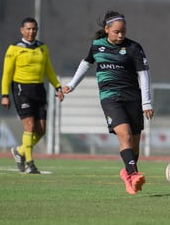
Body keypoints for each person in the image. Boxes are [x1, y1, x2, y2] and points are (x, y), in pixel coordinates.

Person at [62, 11, 154, 195]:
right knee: (125, 136)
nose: (120, 35)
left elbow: (144, 75)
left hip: (133, 99)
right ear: (107, 29)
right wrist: (72, 84)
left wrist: (146, 103)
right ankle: (134, 174)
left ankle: (127, 173)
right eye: (116, 32)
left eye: (123, 31)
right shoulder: (97, 46)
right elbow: (86, 63)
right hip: (110, 98)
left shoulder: (134, 48)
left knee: (135, 145)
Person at [1, 17, 64, 174]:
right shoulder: (14, 48)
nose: (31, 31)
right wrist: (4, 95)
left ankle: (20, 151)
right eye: (28, 29)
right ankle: (30, 164)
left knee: (41, 130)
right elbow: (6, 74)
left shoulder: (42, 47)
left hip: (39, 90)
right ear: (22, 30)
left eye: (34, 29)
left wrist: (57, 87)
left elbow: (48, 69)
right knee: (29, 127)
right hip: (22, 90)